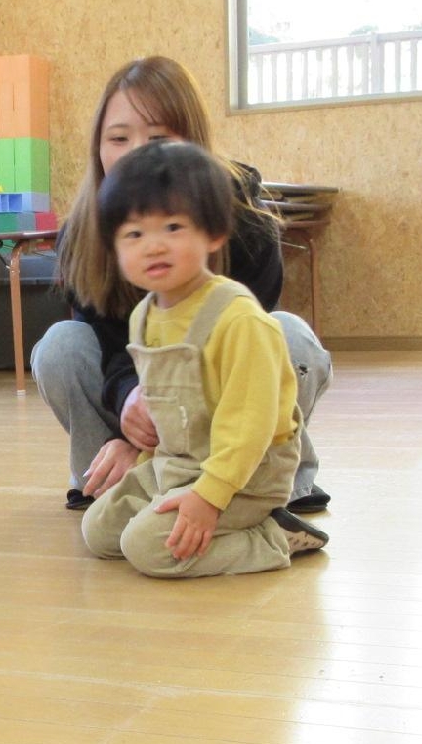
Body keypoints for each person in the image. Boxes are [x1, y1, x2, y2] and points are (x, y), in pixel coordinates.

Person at [33, 55, 331, 512]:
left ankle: (274, 489)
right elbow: (108, 344)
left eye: (158, 139)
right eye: (118, 138)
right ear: (98, 146)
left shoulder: (246, 222)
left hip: (224, 399)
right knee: (60, 346)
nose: (135, 154)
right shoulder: (82, 236)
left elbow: (243, 364)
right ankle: (112, 481)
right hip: (144, 409)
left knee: (290, 337)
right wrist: (130, 409)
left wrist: (169, 423)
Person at [81, 141, 328, 579]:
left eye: (173, 227)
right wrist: (146, 470)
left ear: (213, 233)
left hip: (245, 474)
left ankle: (273, 536)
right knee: (98, 531)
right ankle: (196, 514)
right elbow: (166, 408)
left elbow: (249, 427)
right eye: (134, 234)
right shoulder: (143, 317)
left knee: (147, 549)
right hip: (177, 463)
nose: (153, 246)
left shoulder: (238, 319)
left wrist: (210, 497)